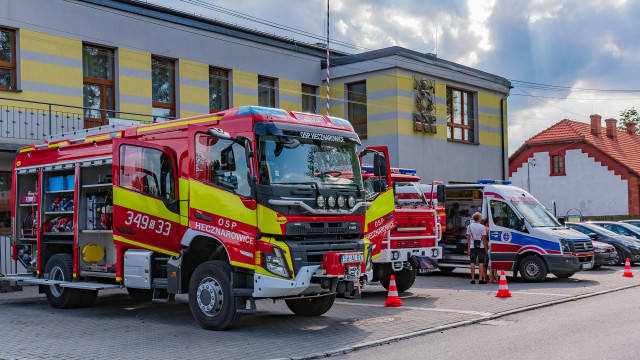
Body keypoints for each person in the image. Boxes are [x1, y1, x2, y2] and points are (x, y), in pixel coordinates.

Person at [467, 212, 487, 284]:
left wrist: (468, 248)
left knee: (472, 262)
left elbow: (468, 238)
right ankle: (480, 279)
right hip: (481, 246)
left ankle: (472, 279)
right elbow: (484, 239)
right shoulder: (482, 227)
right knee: (481, 263)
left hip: (472, 246)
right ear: (479, 219)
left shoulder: (469, 226)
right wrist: (485, 248)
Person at [481, 218, 498, 283]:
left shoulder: (480, 228)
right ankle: (493, 279)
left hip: (480, 247)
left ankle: (485, 278)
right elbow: (490, 238)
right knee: (490, 266)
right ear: (487, 223)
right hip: (487, 248)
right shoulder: (487, 229)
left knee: (483, 265)